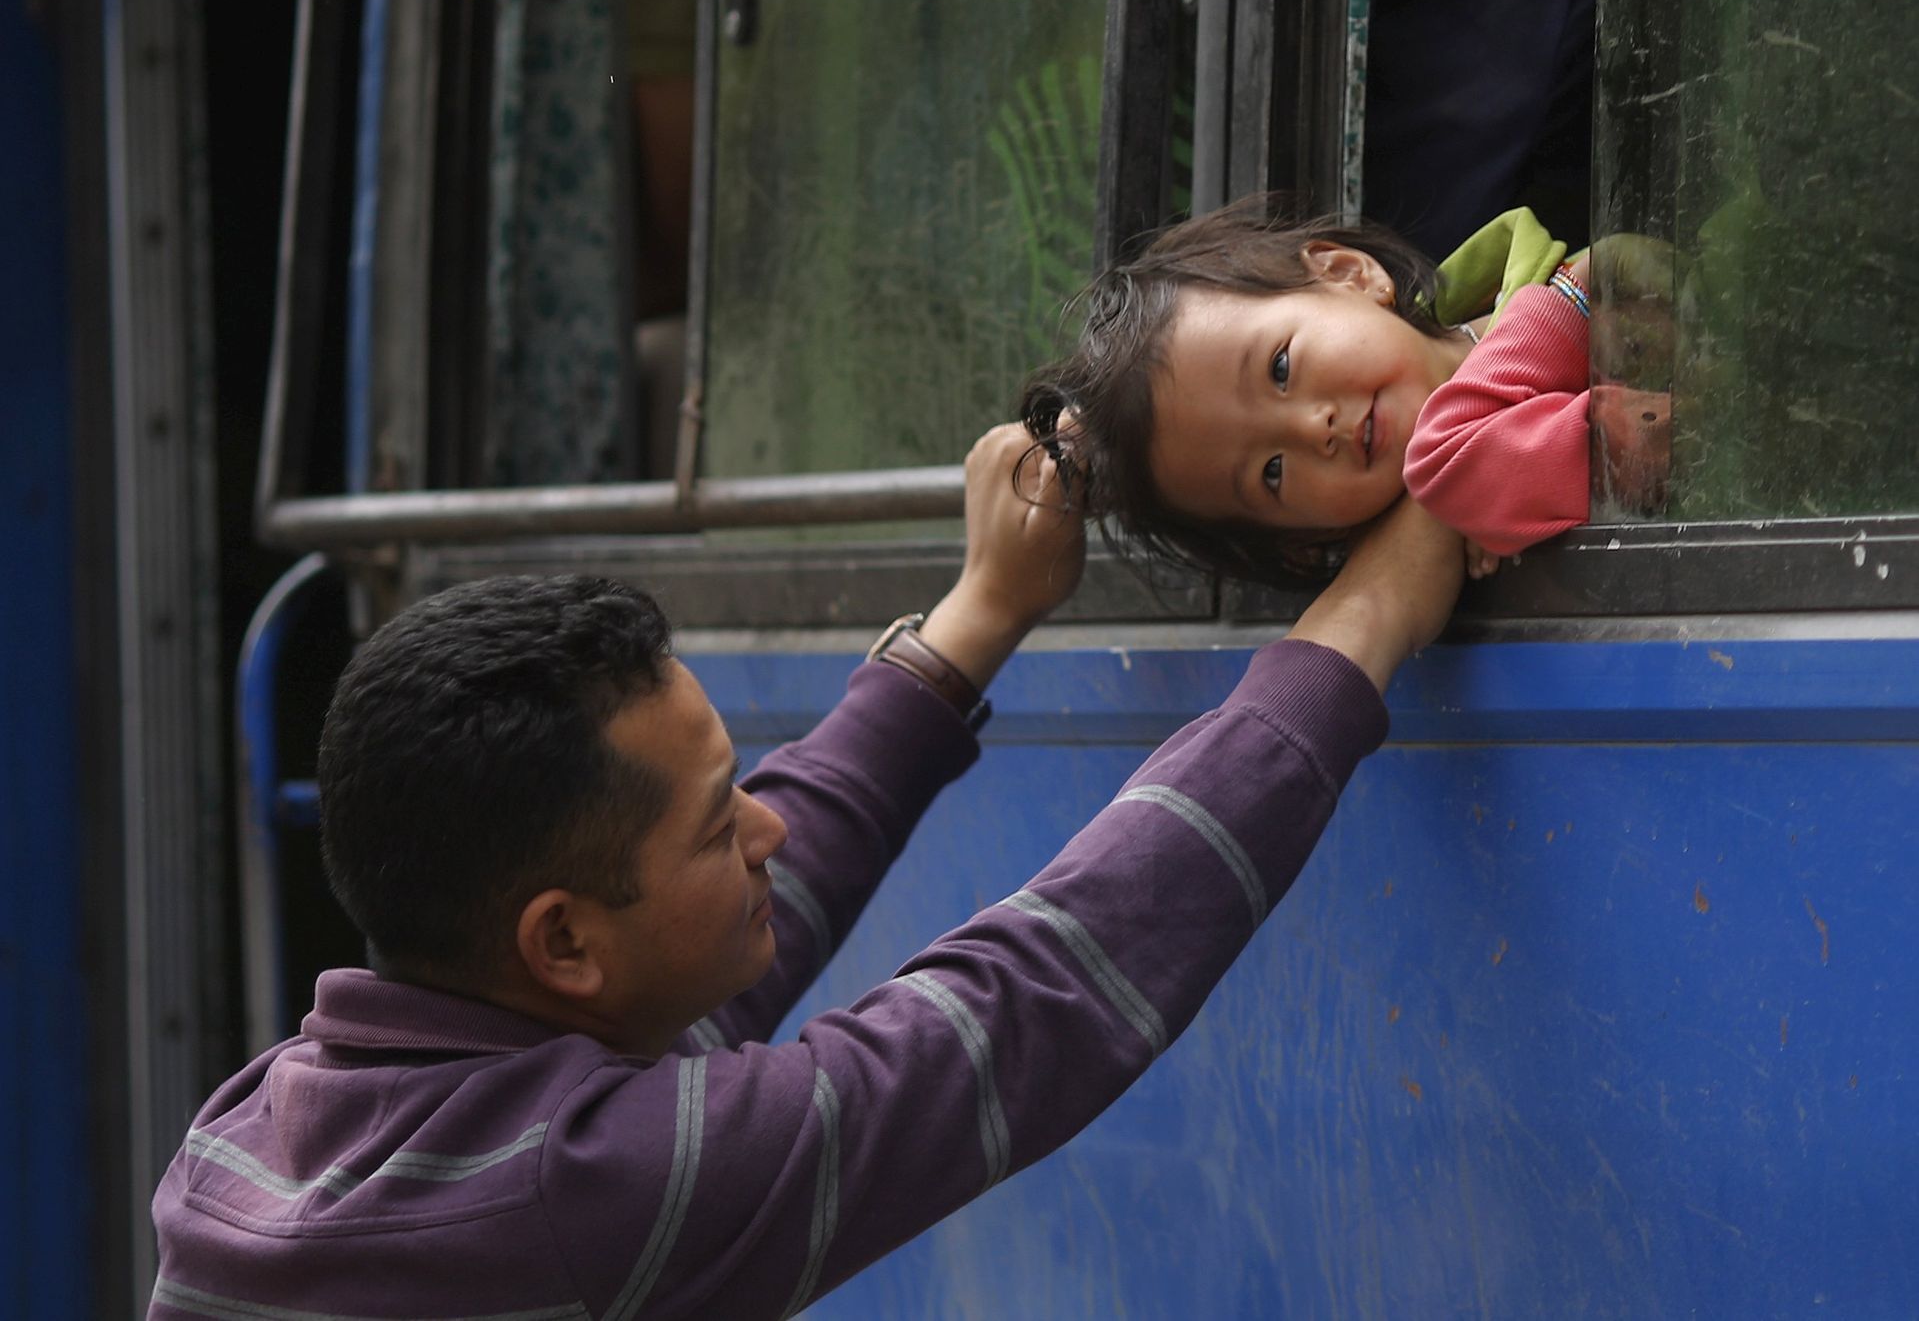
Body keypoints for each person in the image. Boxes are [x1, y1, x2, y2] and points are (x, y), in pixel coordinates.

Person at [149, 425, 1463, 1319]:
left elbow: (785, 858)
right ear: (559, 944)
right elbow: (1025, 1001)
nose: (767, 832)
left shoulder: (254, 1129)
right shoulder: (579, 1188)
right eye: (723, 825)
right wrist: (1365, 618)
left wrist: (982, 608)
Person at [1021, 196, 1598, 585]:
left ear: (1349, 274)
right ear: (1307, 540)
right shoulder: (1442, 572)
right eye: (1271, 472)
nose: (1311, 428)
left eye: (1279, 369)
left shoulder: (1576, 296)